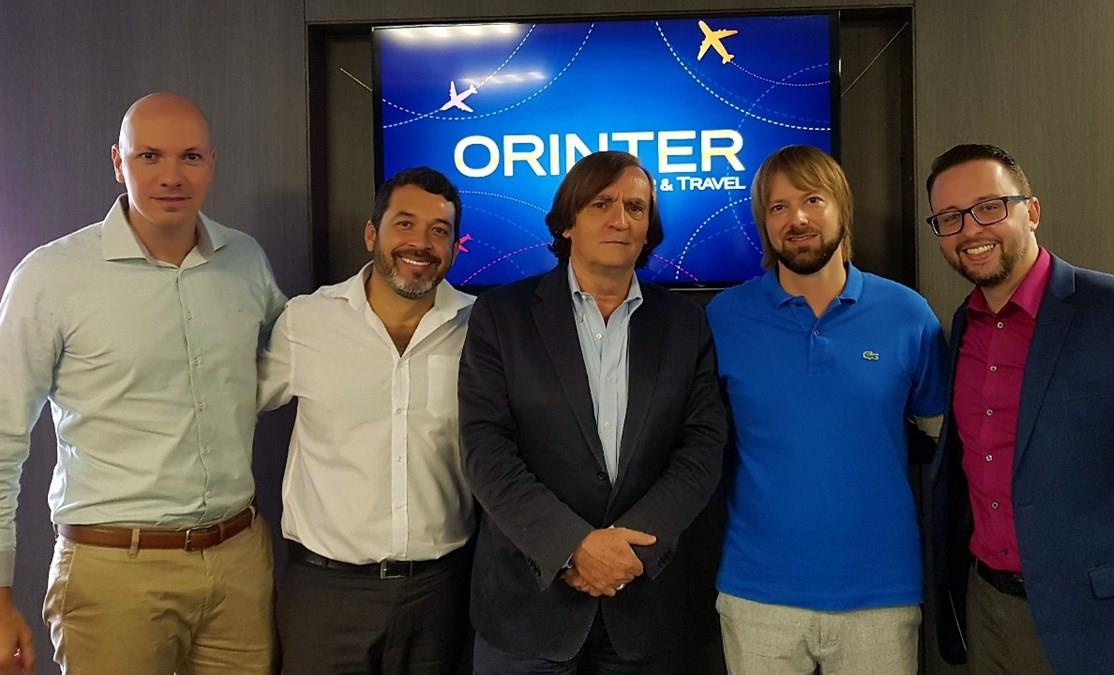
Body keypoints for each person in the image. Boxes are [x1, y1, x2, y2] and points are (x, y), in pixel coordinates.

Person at [0, 92, 285, 673]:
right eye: (149, 156)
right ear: (118, 162)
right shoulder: (51, 276)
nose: (171, 176)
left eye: (190, 157)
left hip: (239, 564)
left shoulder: (245, 259)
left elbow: (295, 357)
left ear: (212, 162)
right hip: (114, 576)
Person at [927, 143, 1114, 675]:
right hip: (989, 612)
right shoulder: (963, 325)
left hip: (1109, 629)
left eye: (989, 207)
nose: (970, 229)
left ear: (1031, 211)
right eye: (950, 217)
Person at [458, 150, 726, 673]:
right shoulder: (501, 316)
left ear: (648, 230)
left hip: (644, 606)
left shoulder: (685, 323)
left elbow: (701, 448)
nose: (620, 220)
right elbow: (485, 450)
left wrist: (628, 552)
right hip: (527, 609)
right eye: (601, 203)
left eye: (635, 207)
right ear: (567, 223)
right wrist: (572, 546)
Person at [705, 145, 946, 674]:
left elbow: (942, 434)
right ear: (764, 223)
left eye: (812, 200)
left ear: (842, 209)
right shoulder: (724, 318)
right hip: (757, 594)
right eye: (778, 207)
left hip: (880, 594)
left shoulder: (908, 315)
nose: (797, 219)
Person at [259, 167, 474, 673]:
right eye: (405, 224)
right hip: (325, 593)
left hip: (441, 593)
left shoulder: (479, 327)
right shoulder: (307, 320)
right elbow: (230, 410)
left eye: (439, 231)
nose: (421, 243)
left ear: (454, 247)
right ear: (372, 233)